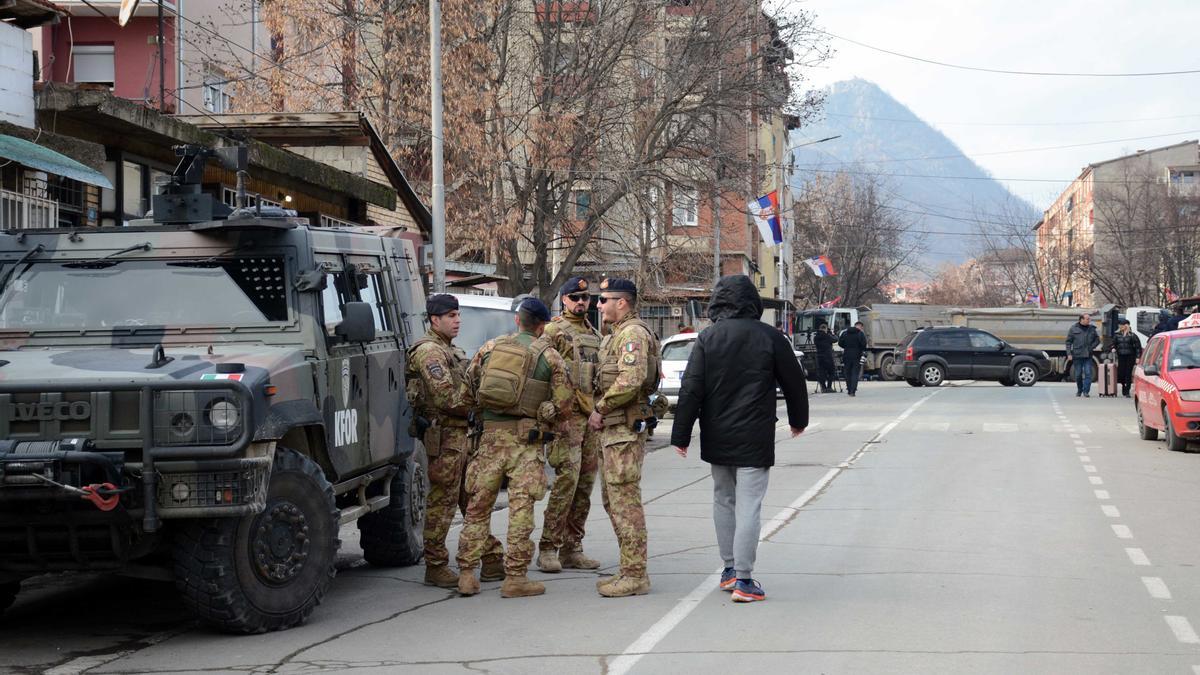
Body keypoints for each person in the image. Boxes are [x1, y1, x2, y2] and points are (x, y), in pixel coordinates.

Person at [669, 275, 808, 603]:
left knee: (723, 500)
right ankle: (745, 580)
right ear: (753, 303)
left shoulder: (708, 338)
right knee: (749, 505)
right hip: (755, 436)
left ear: (718, 302)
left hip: (717, 435)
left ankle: (729, 570)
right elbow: (794, 382)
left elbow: (692, 388)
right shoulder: (771, 337)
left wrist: (681, 435)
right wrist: (798, 421)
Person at [456, 298, 573, 598]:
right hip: (526, 443)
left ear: (517, 320)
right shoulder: (550, 356)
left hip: (489, 441)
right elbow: (564, 404)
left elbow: (466, 393)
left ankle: (467, 574)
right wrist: (545, 410)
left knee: (477, 508)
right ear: (542, 325)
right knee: (521, 509)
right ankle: (516, 578)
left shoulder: (490, 348)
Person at [405, 294, 504, 588]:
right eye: (451, 316)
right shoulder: (430, 353)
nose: (457, 320)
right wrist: (481, 403)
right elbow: (447, 398)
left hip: (461, 436)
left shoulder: (449, 350)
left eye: (458, 315)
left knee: (470, 498)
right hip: (445, 436)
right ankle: (435, 565)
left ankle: (491, 556)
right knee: (443, 502)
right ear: (435, 320)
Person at [589, 278, 661, 597]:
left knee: (624, 501)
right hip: (613, 430)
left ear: (623, 303)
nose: (598, 305)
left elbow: (630, 380)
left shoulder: (632, 333)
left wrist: (600, 409)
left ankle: (635, 574)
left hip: (622, 429)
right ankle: (629, 569)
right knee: (612, 500)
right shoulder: (616, 334)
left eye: (604, 300)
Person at [536, 277, 603, 573]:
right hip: (567, 420)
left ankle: (573, 547)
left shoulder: (593, 333)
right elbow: (538, 370)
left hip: (590, 420)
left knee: (585, 486)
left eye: (585, 297)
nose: (581, 302)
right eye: (575, 297)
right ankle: (548, 547)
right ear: (563, 300)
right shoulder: (552, 332)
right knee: (566, 483)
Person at [1065, 313, 1100, 397]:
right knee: (1078, 374)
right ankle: (1079, 390)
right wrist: (1069, 353)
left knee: (1088, 373)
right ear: (1081, 320)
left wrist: (1092, 347)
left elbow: (1097, 340)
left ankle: (1086, 391)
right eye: (1087, 319)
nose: (1089, 320)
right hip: (1077, 355)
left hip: (1088, 355)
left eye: (1089, 319)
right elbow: (1068, 342)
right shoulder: (1073, 329)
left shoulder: (1092, 329)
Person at [1112, 319, 1142, 398]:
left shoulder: (1132, 335)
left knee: (1128, 373)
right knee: (1121, 373)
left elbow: (1138, 347)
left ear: (1126, 326)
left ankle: (1127, 390)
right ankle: (1123, 385)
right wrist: (1113, 348)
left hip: (1130, 356)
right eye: (1119, 325)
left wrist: (1138, 357)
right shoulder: (1117, 335)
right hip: (1121, 356)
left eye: (1121, 325)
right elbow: (1113, 344)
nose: (1120, 326)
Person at [838, 320, 868, 396]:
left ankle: (849, 389)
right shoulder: (860, 334)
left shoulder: (845, 333)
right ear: (860, 326)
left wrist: (846, 347)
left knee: (847, 373)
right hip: (857, 356)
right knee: (855, 373)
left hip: (846, 355)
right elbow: (864, 344)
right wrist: (860, 349)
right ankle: (852, 391)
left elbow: (840, 343)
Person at [813, 321, 836, 393]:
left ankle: (823, 387)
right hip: (828, 356)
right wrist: (832, 334)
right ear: (825, 329)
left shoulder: (816, 337)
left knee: (822, 372)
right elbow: (835, 339)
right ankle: (829, 387)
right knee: (831, 371)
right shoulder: (827, 336)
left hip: (819, 356)